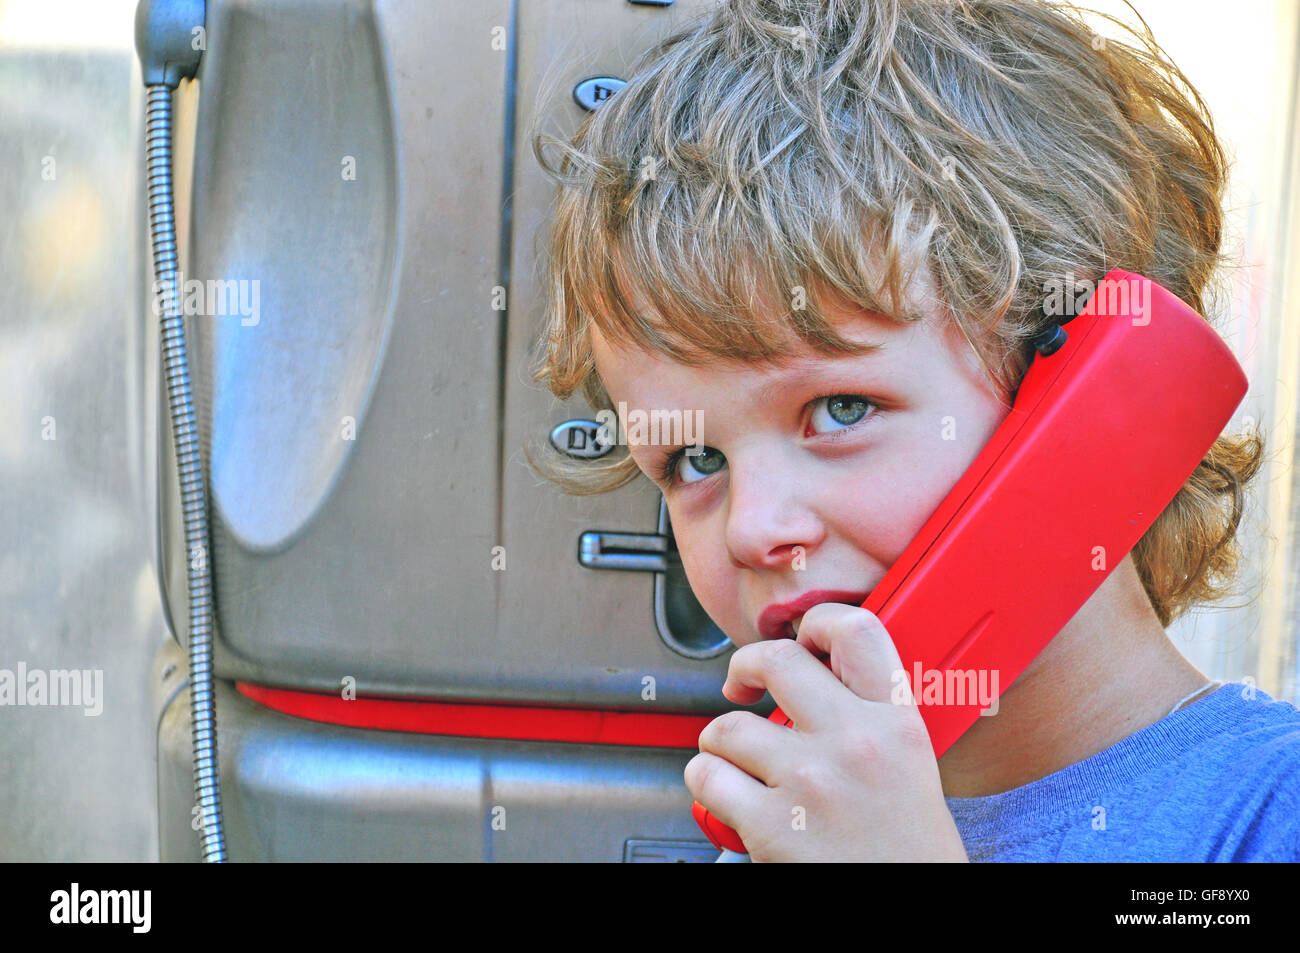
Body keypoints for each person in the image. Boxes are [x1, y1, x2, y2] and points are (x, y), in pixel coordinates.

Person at [525, 0, 1300, 861]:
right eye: (694, 458)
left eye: (840, 410)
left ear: (1080, 394)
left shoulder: (1268, 815)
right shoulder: (788, 830)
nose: (753, 528)